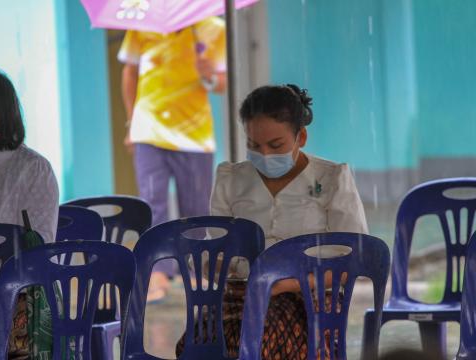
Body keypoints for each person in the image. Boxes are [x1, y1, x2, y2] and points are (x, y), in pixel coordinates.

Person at [177, 84, 368, 359]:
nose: (264, 155)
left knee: (266, 340)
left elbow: (353, 262)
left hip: (311, 300)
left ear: (300, 136)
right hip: (241, 296)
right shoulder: (232, 179)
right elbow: (219, 251)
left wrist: (286, 284)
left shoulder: (331, 178)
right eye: (254, 146)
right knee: (197, 343)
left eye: (275, 145)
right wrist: (214, 263)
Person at [118, 17, 227, 302]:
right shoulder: (142, 25)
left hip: (194, 134)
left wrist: (210, 75)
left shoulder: (214, 29)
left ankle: (193, 268)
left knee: (196, 206)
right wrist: (131, 123)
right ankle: (157, 271)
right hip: (149, 131)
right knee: (152, 202)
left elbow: (223, 83)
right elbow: (130, 73)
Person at [0, 69, 59, 358]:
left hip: (13, 295)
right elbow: (39, 242)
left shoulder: (34, 167)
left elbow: (38, 246)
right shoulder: (36, 167)